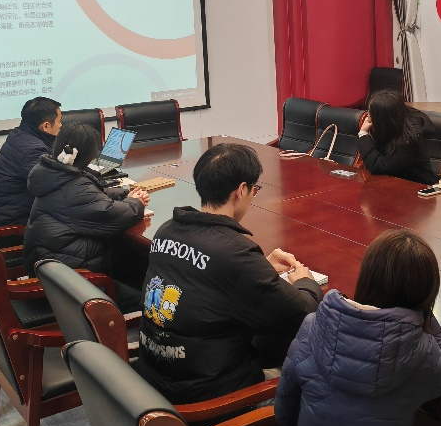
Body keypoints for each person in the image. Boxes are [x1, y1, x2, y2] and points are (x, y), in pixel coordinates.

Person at [136, 142, 322, 404]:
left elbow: (204, 279)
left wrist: (261, 267)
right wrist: (305, 281)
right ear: (241, 190)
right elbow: (301, 313)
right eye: (255, 190)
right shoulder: (235, 252)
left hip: (156, 379)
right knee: (310, 350)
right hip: (208, 398)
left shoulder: (167, 230)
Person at [275, 229, 441, 426]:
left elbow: (285, 407)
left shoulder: (313, 325)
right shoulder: (420, 349)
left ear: (367, 277)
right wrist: (424, 316)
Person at [23, 122, 149, 312]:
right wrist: (136, 203)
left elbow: (92, 196)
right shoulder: (76, 187)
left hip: (53, 266)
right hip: (74, 280)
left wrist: (124, 194)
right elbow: (113, 215)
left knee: (129, 260)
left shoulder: (53, 172)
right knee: (146, 297)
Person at [0, 97, 62, 230]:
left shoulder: (19, 135)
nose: (61, 125)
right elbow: (52, 187)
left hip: (3, 218)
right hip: (11, 229)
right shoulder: (32, 151)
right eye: (59, 121)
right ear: (46, 126)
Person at [357, 90, 439, 185]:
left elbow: (379, 166)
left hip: (415, 185)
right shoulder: (394, 124)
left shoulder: (409, 139)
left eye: (371, 113)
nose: (368, 117)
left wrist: (363, 135)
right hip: (392, 182)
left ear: (384, 118)